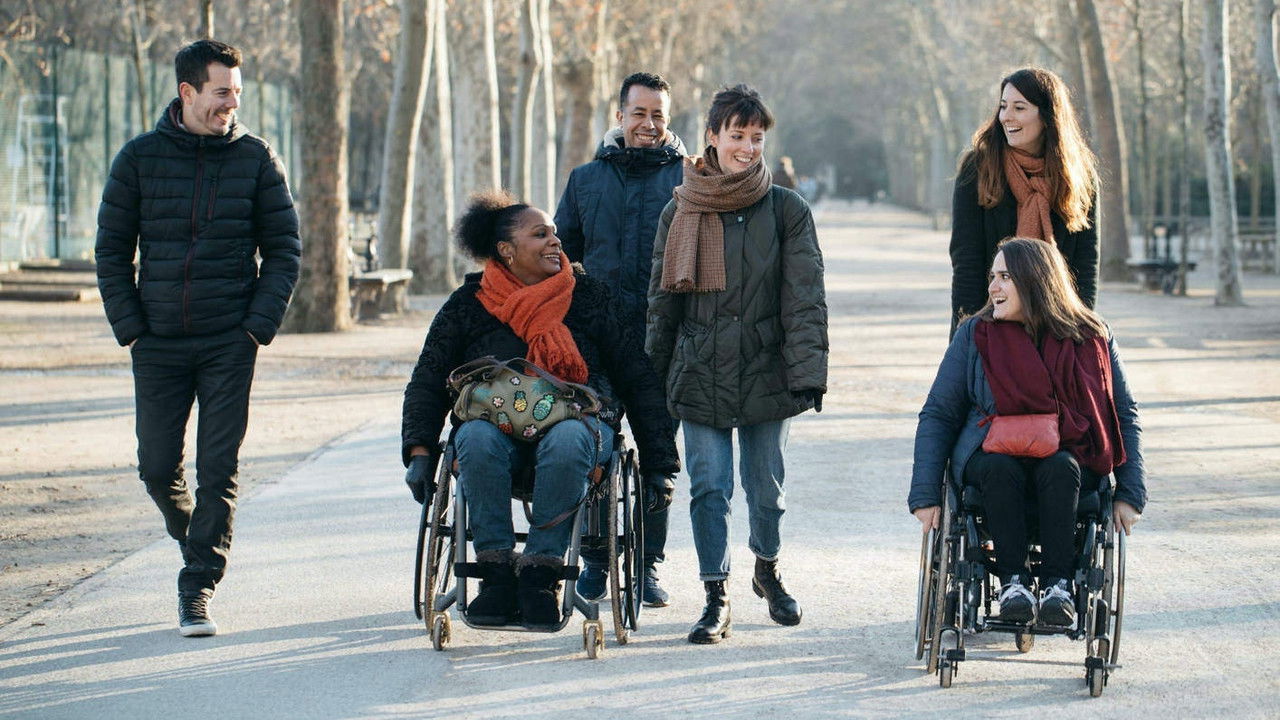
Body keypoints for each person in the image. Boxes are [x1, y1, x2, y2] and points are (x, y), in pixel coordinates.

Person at [95, 39, 301, 637]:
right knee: (157, 468)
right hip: (157, 342)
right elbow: (111, 252)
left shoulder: (257, 159)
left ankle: (198, 587)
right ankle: (196, 538)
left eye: (237, 93)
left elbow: (284, 250)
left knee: (218, 468)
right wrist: (132, 329)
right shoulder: (138, 159)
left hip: (228, 342)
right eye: (221, 93)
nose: (231, 104)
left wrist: (255, 327)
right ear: (187, 92)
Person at [401, 191, 679, 629]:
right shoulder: (468, 303)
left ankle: (540, 575)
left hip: (581, 432)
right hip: (495, 436)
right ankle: (495, 574)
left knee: (567, 438)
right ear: (506, 250)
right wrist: (419, 451)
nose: (555, 241)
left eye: (554, 233)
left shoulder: (590, 297)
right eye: (540, 234)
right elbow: (428, 378)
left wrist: (660, 464)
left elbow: (638, 378)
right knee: (474, 436)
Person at [647, 84, 828, 644]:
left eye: (756, 138)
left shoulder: (787, 209)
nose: (747, 148)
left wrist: (807, 373)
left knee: (766, 487)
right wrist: (651, 377)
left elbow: (805, 299)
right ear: (712, 136)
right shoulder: (681, 208)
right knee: (709, 487)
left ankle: (767, 568)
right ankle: (715, 595)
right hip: (699, 368)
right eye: (737, 135)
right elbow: (662, 300)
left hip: (767, 370)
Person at [909, 237, 1146, 627]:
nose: (993, 287)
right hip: (992, 460)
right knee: (999, 467)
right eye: (992, 277)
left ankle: (1058, 586)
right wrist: (925, 494)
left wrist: (1130, 494)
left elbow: (1123, 413)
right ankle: (1013, 584)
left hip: (1070, 459)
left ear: (1036, 279)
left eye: (1005, 277)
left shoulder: (1091, 337)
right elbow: (938, 414)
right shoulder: (975, 334)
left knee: (1061, 467)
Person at [553, 71, 686, 607]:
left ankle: (648, 566)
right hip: (599, 349)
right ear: (619, 116)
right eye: (639, 113)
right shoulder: (585, 181)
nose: (648, 124)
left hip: (665, 344)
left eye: (658, 115)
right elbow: (558, 259)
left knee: (658, 459)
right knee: (595, 451)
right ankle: (595, 562)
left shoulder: (689, 178)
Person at [950, 67, 1099, 335]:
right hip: (990, 319)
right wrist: (971, 330)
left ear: (1048, 116)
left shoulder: (1078, 175)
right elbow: (966, 261)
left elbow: (1086, 263)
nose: (1006, 116)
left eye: (1019, 108)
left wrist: (1079, 330)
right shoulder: (979, 168)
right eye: (1003, 106)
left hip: (1056, 322)